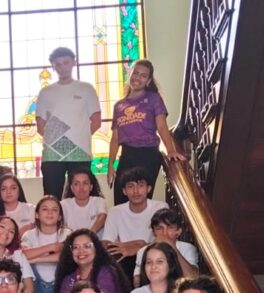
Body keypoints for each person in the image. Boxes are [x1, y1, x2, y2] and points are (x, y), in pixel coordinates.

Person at [107, 59, 185, 205]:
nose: (138, 78)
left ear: (148, 80)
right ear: (130, 74)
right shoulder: (119, 105)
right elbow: (115, 138)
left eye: (143, 75)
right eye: (135, 73)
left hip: (148, 155)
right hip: (127, 155)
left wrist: (171, 151)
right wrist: (110, 165)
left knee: (140, 202)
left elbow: (162, 126)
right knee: (121, 202)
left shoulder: (154, 99)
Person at [36, 47, 101, 198]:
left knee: (81, 197)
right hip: (52, 155)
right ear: (53, 66)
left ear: (73, 63)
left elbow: (96, 121)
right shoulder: (45, 92)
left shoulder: (86, 88)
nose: (62, 67)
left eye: (66, 62)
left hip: (80, 153)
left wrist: (78, 138)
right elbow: (40, 126)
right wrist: (61, 143)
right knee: (52, 198)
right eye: (57, 64)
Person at [47, 228, 130, 293]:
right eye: (76, 247)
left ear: (96, 249)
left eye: (87, 246)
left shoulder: (106, 272)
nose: (81, 251)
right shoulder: (69, 279)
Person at [103, 167, 169, 282]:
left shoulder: (160, 207)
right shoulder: (115, 211)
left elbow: (164, 239)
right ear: (124, 191)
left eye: (141, 185)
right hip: (124, 258)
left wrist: (140, 247)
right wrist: (135, 245)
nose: (136, 191)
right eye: (130, 186)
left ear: (149, 188)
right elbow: (107, 243)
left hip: (151, 255)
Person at [21, 195, 72, 293]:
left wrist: (35, 259)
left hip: (60, 284)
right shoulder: (29, 235)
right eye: (45, 209)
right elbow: (23, 256)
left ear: (60, 217)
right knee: (28, 275)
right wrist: (51, 247)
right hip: (36, 286)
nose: (50, 213)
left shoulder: (67, 233)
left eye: (54, 210)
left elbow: (65, 257)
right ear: (37, 215)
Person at [132, 208, 198, 287]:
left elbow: (193, 279)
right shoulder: (143, 251)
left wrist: (173, 247)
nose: (164, 233)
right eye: (159, 228)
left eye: (170, 228)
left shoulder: (187, 248)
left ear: (179, 231)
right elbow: (137, 284)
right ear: (153, 232)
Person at [60, 167, 108, 235]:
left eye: (85, 183)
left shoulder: (99, 201)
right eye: (76, 184)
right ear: (72, 188)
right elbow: (58, 223)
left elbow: (103, 216)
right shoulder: (64, 204)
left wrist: (90, 233)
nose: (81, 187)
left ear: (91, 187)